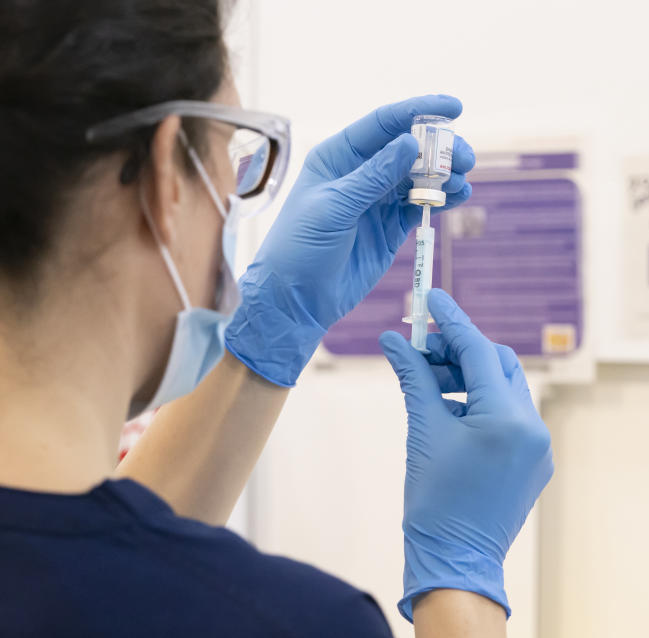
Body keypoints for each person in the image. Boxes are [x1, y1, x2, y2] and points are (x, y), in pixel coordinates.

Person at [0, 1, 554, 636]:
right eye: (231, 160)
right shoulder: (292, 622)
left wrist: (267, 339)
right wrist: (462, 582)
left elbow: (93, 566)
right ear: (166, 180)